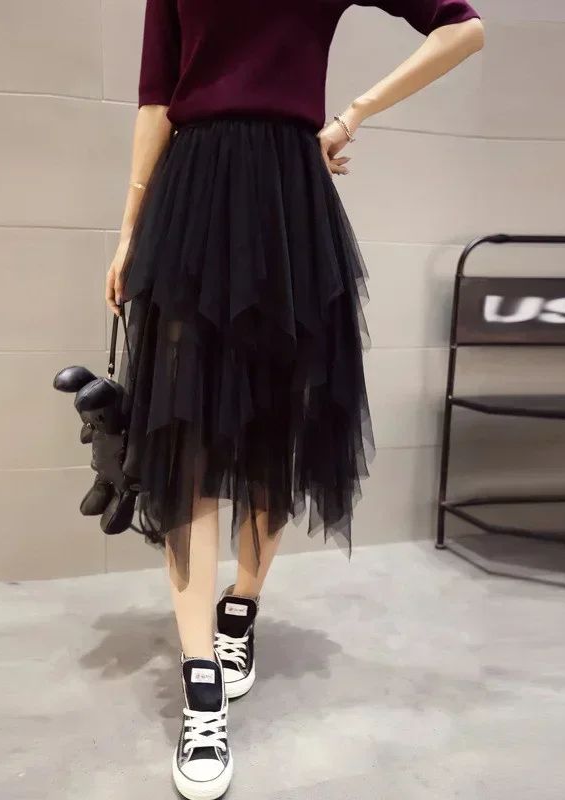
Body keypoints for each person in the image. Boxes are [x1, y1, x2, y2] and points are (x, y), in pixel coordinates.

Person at [105, 2, 484, 797]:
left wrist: (351, 115)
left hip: (289, 202)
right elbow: (157, 98)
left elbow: (462, 26)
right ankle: (201, 682)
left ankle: (241, 606)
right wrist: (131, 228)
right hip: (192, 196)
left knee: (273, 424)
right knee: (187, 433)